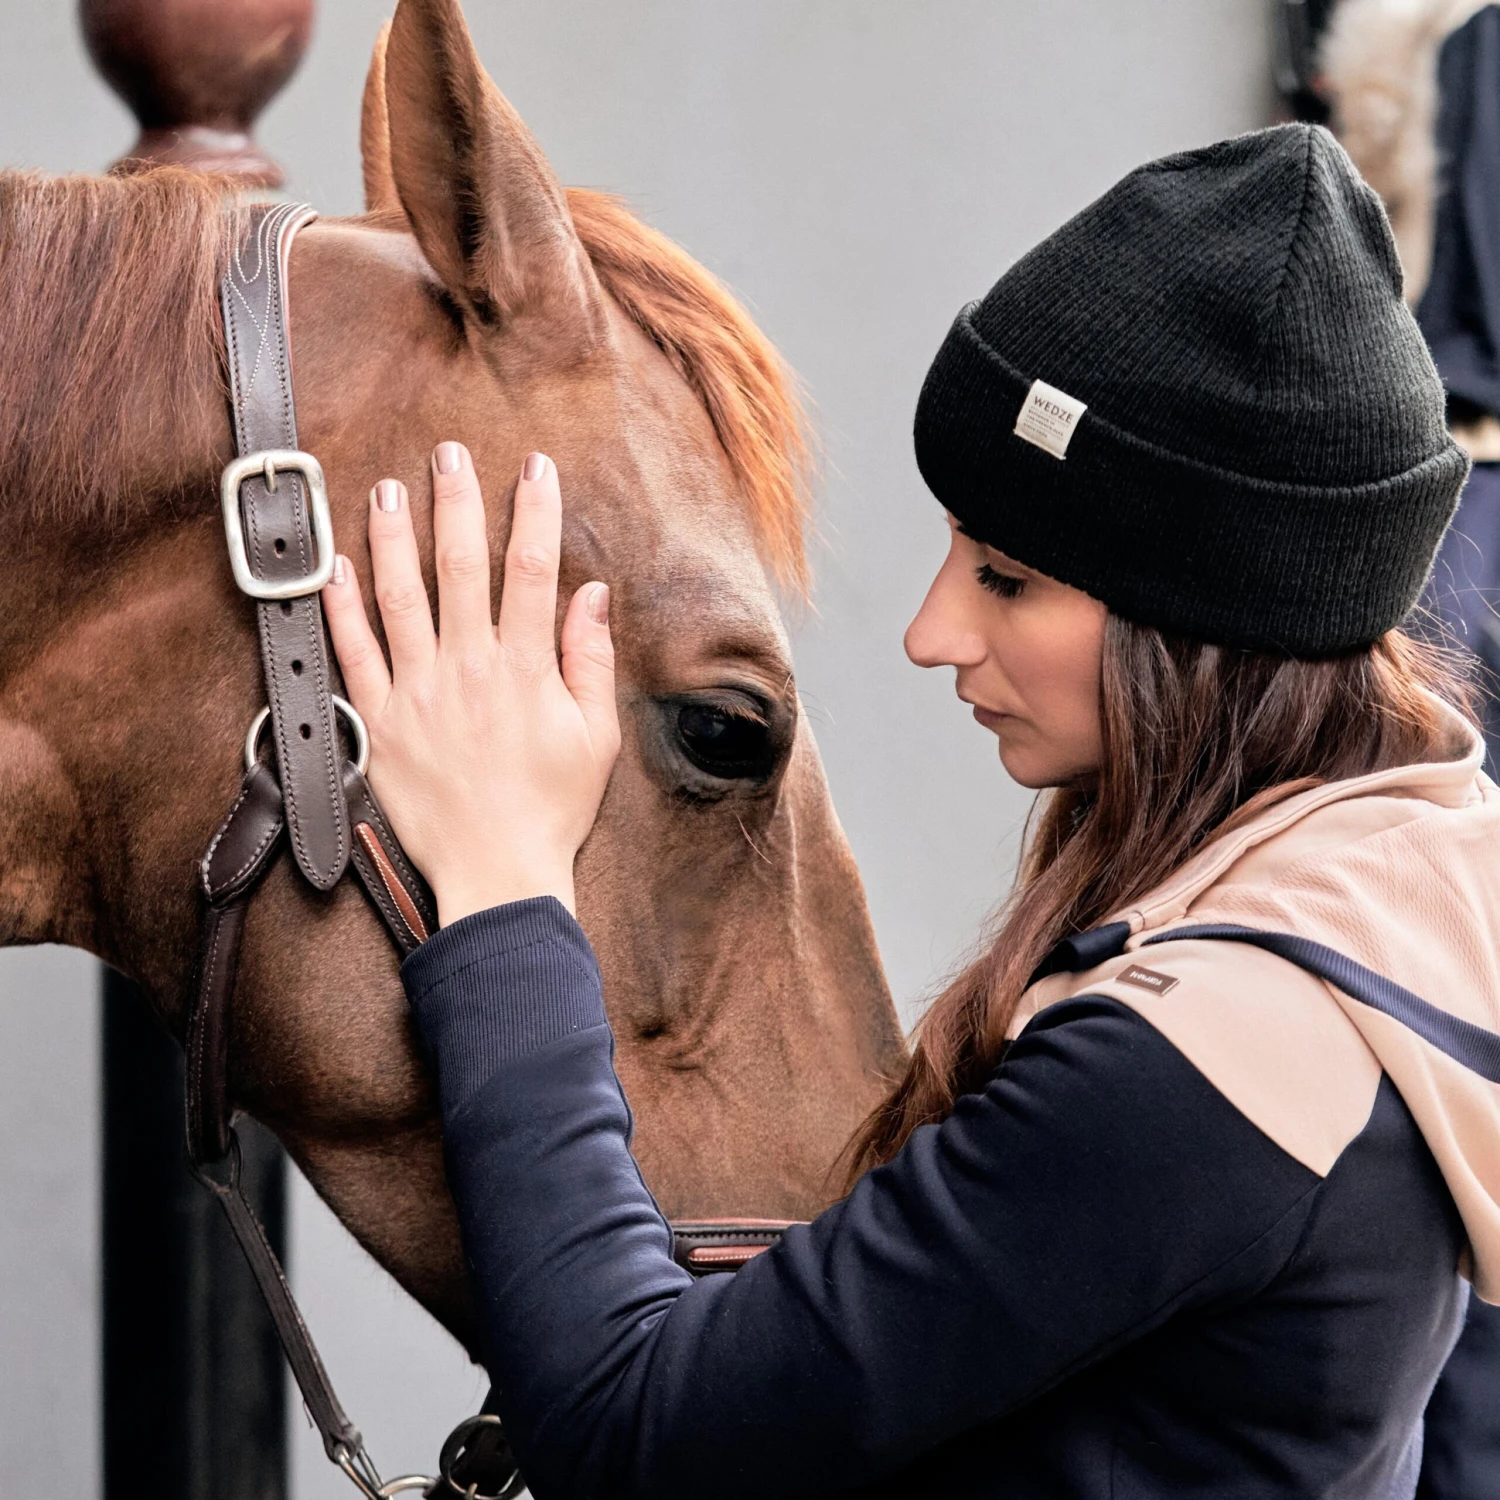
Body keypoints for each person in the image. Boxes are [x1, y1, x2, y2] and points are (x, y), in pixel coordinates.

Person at [321, 125, 1500, 1499]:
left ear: (1200, 620)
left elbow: (632, 1435)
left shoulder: (1208, 1070)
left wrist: (503, 882)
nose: (931, 632)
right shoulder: (1373, 911)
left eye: (1005, 577)